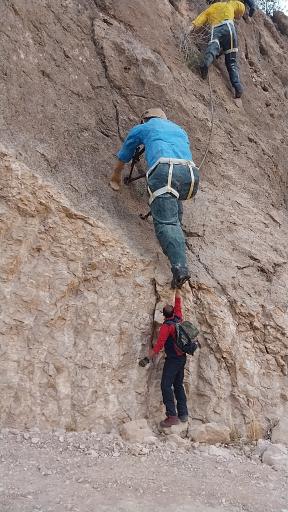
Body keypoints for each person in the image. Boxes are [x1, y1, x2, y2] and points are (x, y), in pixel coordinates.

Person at [109, 108, 199, 289]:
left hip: (165, 170)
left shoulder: (145, 127)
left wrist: (116, 175)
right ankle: (176, 246)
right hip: (191, 175)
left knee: (166, 223)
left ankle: (179, 268)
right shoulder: (179, 130)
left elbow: (126, 153)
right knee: (173, 212)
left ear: (145, 119)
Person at [149, 289, 189, 428]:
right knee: (178, 385)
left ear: (163, 315)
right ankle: (183, 414)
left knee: (165, 386)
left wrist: (152, 353)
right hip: (182, 358)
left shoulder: (166, 327)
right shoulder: (178, 318)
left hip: (173, 360)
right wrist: (178, 291)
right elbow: (178, 304)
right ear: (172, 313)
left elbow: (160, 344)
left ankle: (171, 416)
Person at [190, 0, 246, 98]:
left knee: (214, 45)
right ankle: (238, 87)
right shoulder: (230, 3)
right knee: (231, 61)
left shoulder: (211, 8)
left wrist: (191, 27)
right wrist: (237, 15)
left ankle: (205, 63)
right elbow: (241, 8)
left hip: (217, 28)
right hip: (230, 28)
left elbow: (200, 19)